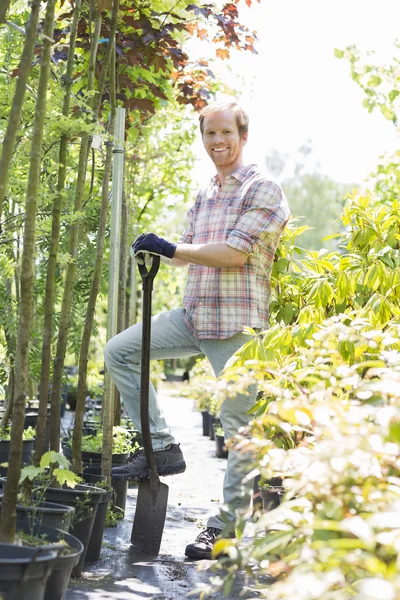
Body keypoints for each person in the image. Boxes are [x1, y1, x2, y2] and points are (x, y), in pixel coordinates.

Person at [104, 100, 290, 559]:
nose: (218, 142)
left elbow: (234, 254)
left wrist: (171, 248)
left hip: (237, 325)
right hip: (193, 315)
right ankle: (164, 446)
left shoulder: (263, 189)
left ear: (243, 136)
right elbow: (190, 251)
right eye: (210, 134)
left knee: (238, 430)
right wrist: (158, 254)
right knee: (119, 351)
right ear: (203, 138)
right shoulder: (204, 194)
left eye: (226, 133)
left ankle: (221, 529)